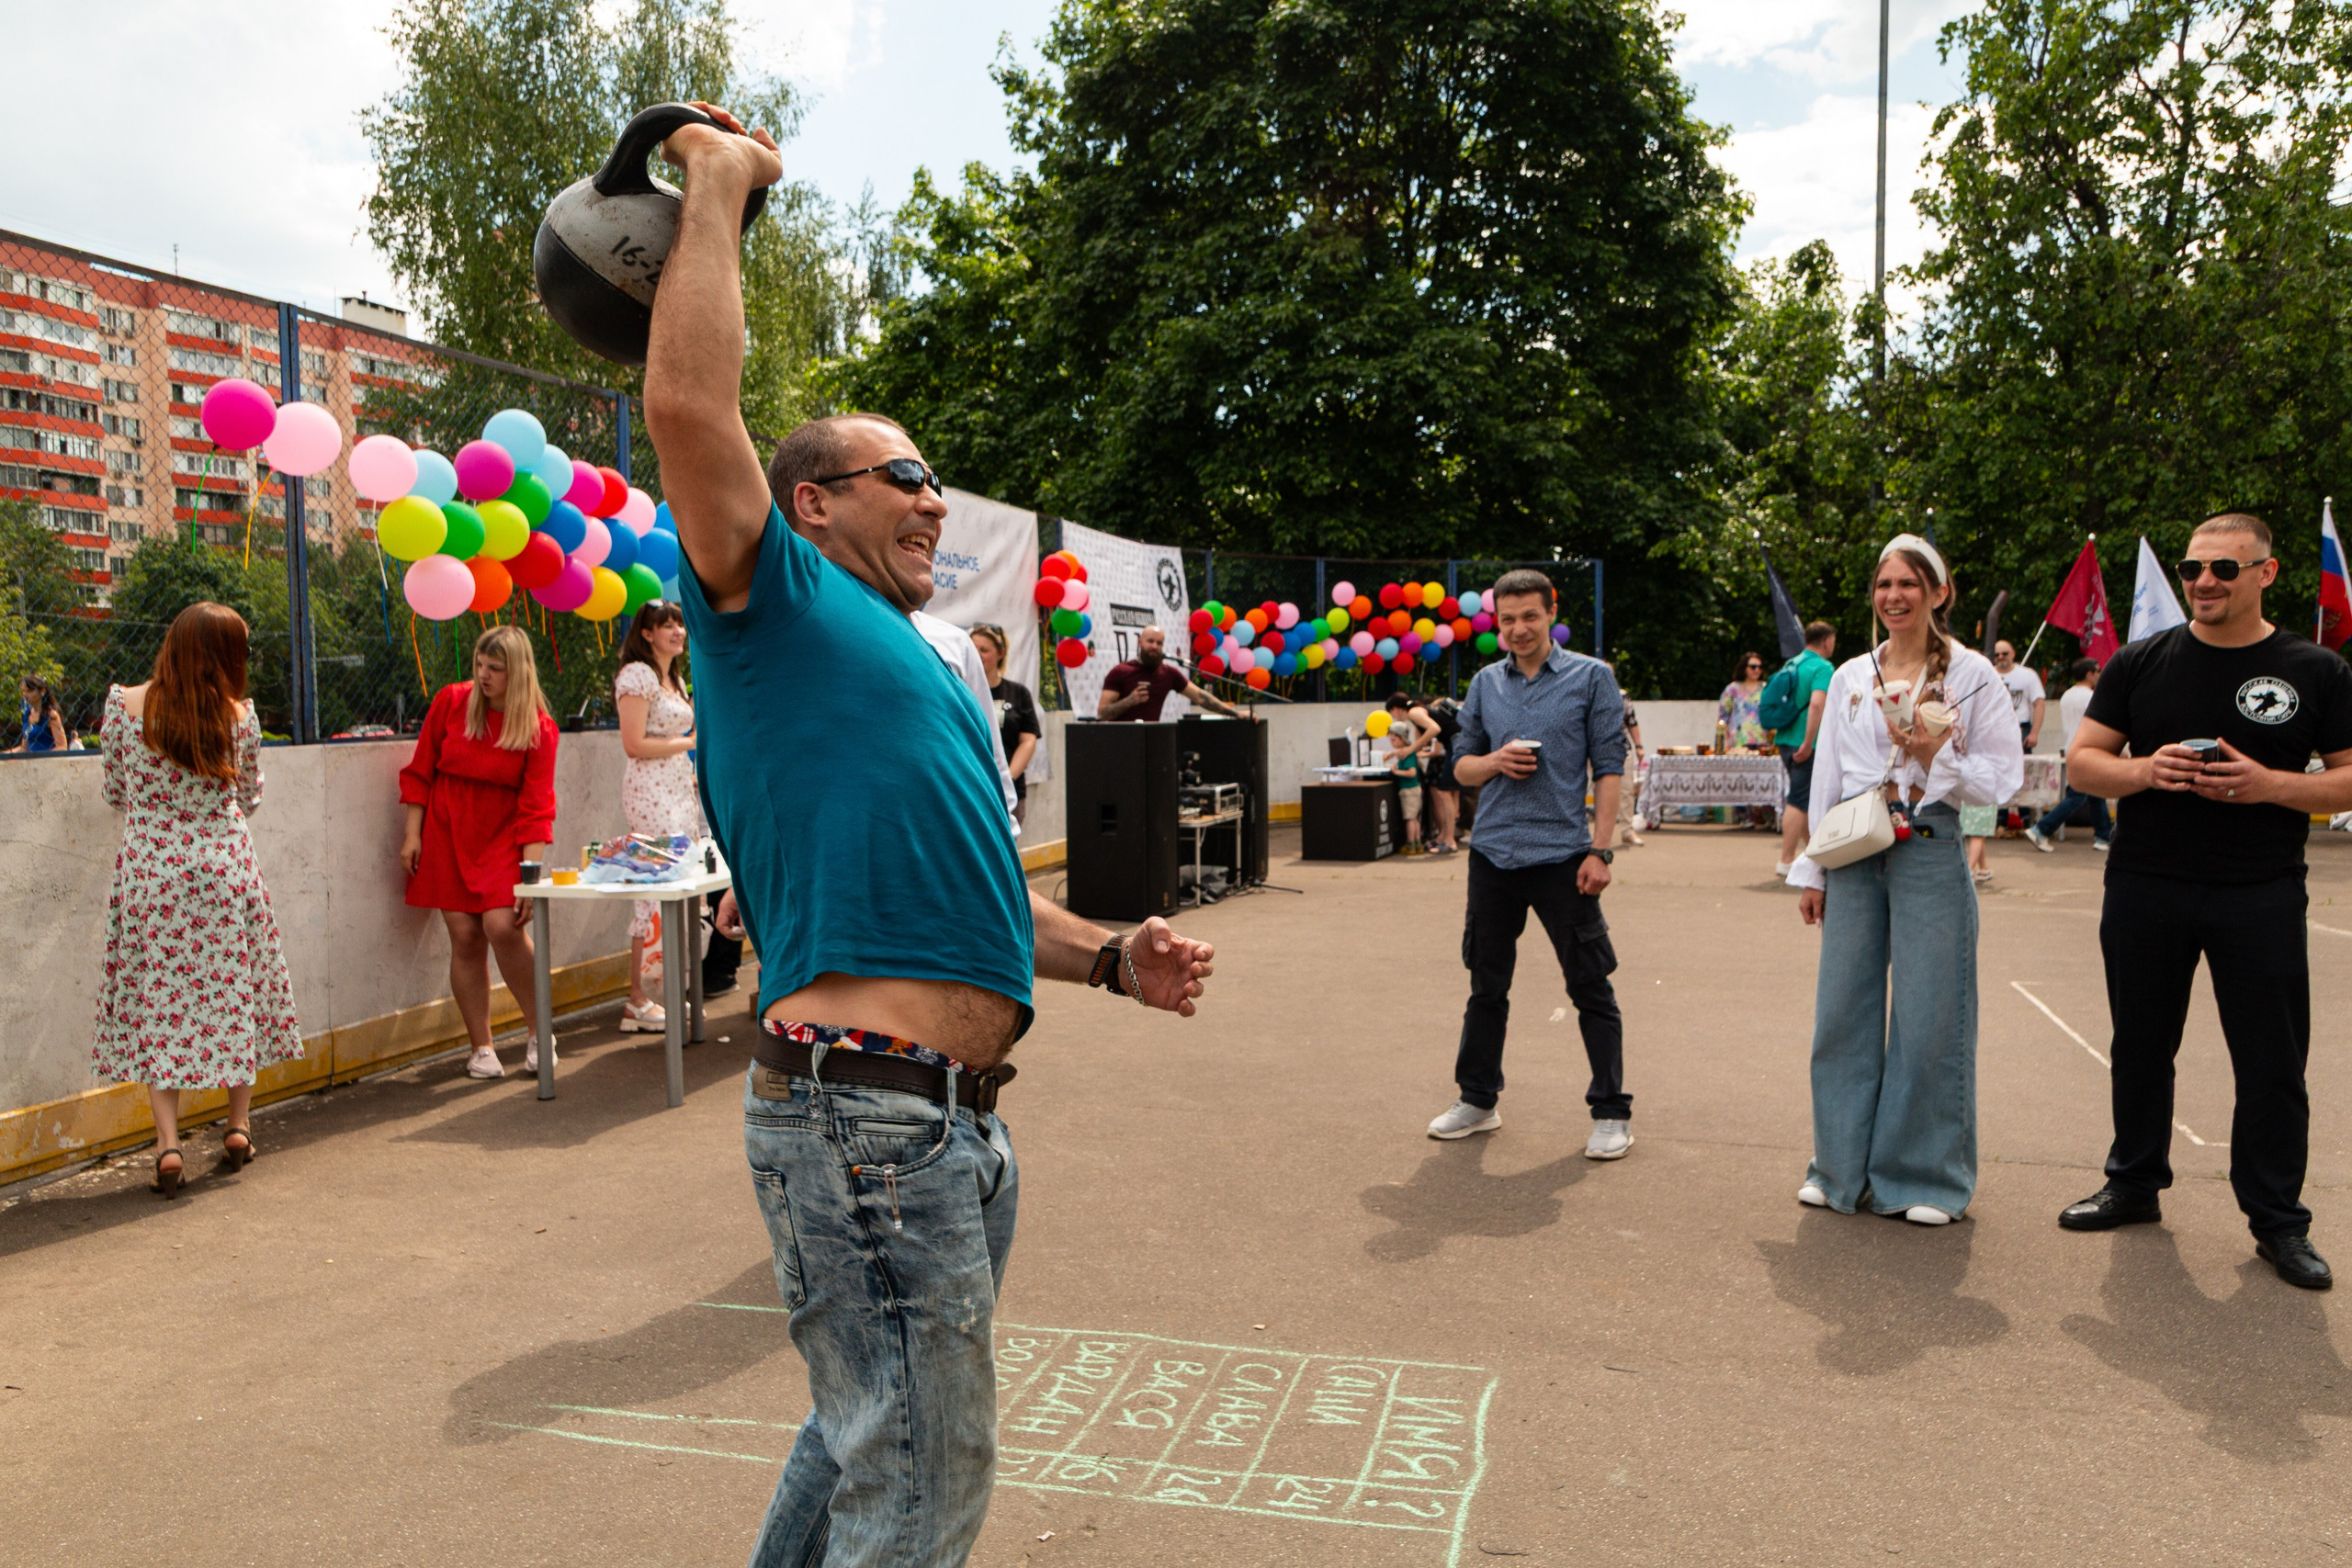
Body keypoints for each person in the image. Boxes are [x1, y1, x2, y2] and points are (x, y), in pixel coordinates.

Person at [642, 101, 1219, 1567]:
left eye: (934, 477)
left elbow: (964, 900)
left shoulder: (926, 662)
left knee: (870, 1441)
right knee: (918, 1482)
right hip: (869, 1116)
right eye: (905, 475)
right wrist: (717, 181)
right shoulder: (772, 601)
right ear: (813, 499)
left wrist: (1108, 957)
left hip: (944, 1123)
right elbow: (693, 419)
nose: (933, 496)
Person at [2056, 513, 2352, 1292]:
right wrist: (2144, 771)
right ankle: (2134, 1182)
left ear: (2267, 572)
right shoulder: (2142, 660)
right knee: (2142, 1044)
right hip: (2147, 883)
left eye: (2225, 566)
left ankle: (2279, 1223)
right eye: (2193, 568)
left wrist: (2273, 787)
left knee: (2271, 1062)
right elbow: (2084, 763)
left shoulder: (2314, 669)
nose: (2205, 581)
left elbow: (2349, 775)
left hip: (2260, 891)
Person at [1788, 536, 2022, 1224]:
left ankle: (1921, 1177)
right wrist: (1813, 870)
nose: (1894, 596)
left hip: (1931, 843)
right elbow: (1828, 772)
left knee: (1930, 1017)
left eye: (1909, 584)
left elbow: (2004, 780)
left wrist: (1939, 753)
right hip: (1857, 845)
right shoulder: (1855, 673)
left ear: (1939, 593)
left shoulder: (1974, 674)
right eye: (1884, 583)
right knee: (1842, 1011)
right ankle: (1838, 1170)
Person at [92, 603, 300, 1199]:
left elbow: (114, 790)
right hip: (222, 866)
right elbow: (249, 795)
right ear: (226, 655)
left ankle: (168, 1144)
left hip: (151, 874)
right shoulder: (239, 716)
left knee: (163, 997)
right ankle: (237, 1127)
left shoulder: (124, 706)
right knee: (237, 989)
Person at [1425, 569, 1633, 1160]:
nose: (1518, 629)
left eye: (1530, 616)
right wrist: (1493, 760)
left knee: (1590, 982)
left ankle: (1612, 1111)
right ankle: (1478, 1099)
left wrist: (1601, 849)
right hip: (1493, 852)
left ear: (1551, 614)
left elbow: (1609, 766)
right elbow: (1460, 768)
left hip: (1565, 856)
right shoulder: (1487, 683)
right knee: (1486, 984)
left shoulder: (1592, 678)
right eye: (1508, 618)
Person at [399, 626, 558, 1081]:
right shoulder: (452, 701)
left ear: (518, 673)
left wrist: (530, 876)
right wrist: (414, 835)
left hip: (503, 834)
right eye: (479, 665)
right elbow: (420, 771)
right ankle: (481, 1046)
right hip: (448, 828)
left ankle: (538, 1032)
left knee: (502, 925)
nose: (483, 676)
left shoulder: (539, 729)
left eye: (495, 669)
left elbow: (537, 806)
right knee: (464, 936)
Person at [615, 600, 703, 1032]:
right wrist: (688, 745)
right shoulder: (638, 676)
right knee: (651, 891)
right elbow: (633, 744)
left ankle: (666, 990)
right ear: (647, 634)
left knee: (680, 890)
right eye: (667, 626)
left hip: (678, 790)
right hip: (650, 794)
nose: (677, 632)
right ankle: (638, 997)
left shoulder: (675, 678)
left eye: (680, 625)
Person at [2025, 658, 2111, 852]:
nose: (2099, 674)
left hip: (2072, 747)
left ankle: (2103, 836)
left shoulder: (2067, 696)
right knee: (2079, 795)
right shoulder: (2091, 697)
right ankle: (2041, 829)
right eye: (2097, 671)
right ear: (2089, 674)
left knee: (2094, 792)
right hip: (2089, 748)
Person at [1773, 623, 1838, 876]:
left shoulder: (1791, 664)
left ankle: (1812, 851)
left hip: (1785, 738)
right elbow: (1816, 705)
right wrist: (1809, 742)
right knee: (1799, 799)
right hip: (1806, 741)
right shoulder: (1822, 667)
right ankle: (1787, 859)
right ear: (1827, 641)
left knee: (1805, 798)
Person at [969, 623, 1041, 827]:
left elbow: (1028, 741)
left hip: (1009, 792)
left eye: (984, 650)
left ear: (1000, 653)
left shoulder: (1017, 692)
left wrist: (1005, 779)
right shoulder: (962, 691)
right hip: (971, 788)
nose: (978, 655)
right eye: (973, 649)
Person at [1099, 624, 1245, 720]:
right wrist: (1129, 701)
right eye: (1150, 641)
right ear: (1140, 643)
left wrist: (1236, 714)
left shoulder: (1168, 673)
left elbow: (1201, 697)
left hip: (1153, 741)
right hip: (1120, 741)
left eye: (1159, 643)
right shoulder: (1121, 671)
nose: (1154, 646)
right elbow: (1102, 714)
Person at [1720, 650, 1775, 828]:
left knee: (1762, 778)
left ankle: (1765, 815)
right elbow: (1723, 715)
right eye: (1753, 666)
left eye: (1759, 667)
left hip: (1762, 739)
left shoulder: (1766, 688)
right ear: (1744, 668)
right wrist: (1723, 739)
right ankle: (1745, 816)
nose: (1757, 670)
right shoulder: (1733, 689)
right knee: (1741, 778)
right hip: (1739, 740)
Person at [1385, 704, 1428, 854]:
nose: (1393, 744)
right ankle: (1417, 843)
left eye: (1394, 740)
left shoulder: (1408, 754)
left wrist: (1397, 773)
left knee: (1410, 818)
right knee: (1414, 818)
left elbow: (1411, 772)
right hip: (1413, 789)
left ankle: (1411, 843)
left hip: (1409, 790)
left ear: (1402, 739)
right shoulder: (1406, 752)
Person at [1994, 638, 2045, 751]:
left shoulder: (2028, 675)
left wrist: (2034, 733)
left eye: (2005, 653)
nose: (2001, 657)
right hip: (1994, 728)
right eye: (1996, 655)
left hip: (2020, 727)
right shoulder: (1988, 675)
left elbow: (2039, 704)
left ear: (2013, 654)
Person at [11, 674, 64, 753]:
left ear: (42, 691)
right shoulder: (27, 714)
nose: (25, 695)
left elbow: (62, 747)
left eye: (29, 691)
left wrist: (41, 758)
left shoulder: (51, 715)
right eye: (23, 691)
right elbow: (24, 748)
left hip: (47, 761)